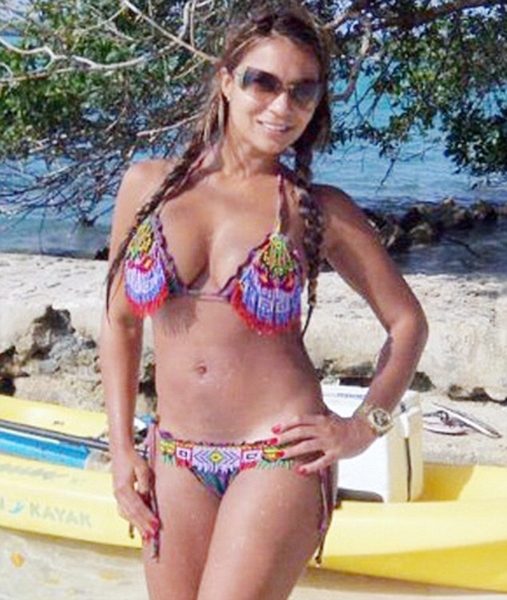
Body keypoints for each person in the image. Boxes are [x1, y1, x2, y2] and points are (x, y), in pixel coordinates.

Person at [100, 2, 428, 599]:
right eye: (264, 83)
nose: (282, 106)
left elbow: (407, 324)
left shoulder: (317, 209)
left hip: (277, 458)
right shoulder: (147, 187)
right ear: (227, 80)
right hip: (174, 456)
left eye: (303, 91)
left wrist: (364, 428)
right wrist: (122, 451)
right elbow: (120, 323)